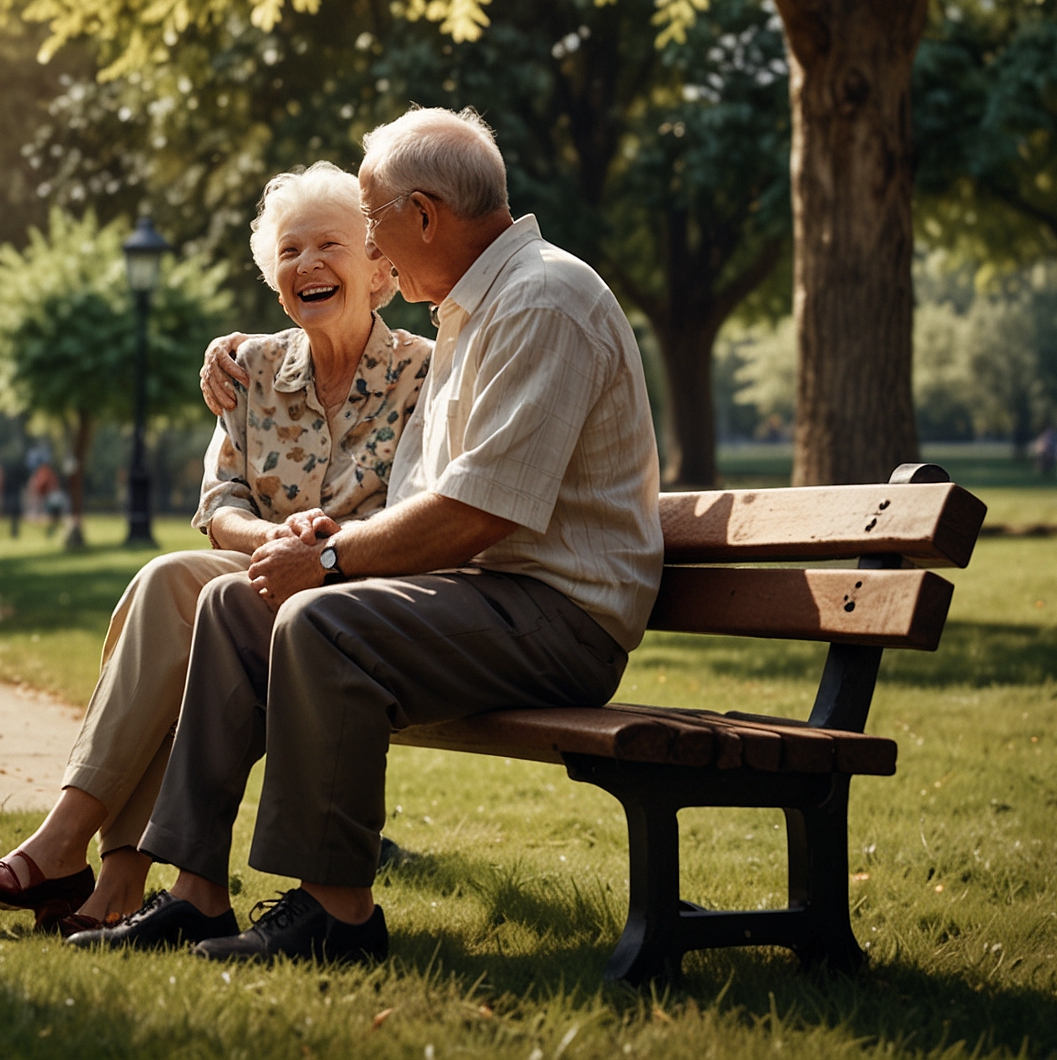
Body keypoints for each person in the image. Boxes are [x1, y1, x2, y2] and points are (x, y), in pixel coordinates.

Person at [70, 107, 663, 965]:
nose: (374, 250)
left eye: (375, 221)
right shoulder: (473, 311)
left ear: (423, 215)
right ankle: (195, 895)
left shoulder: (542, 299)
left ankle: (337, 916)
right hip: (482, 595)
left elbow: (483, 510)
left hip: (559, 614)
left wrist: (334, 559)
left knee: (316, 619)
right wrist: (325, 536)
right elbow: (429, 497)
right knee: (240, 604)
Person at [0, 161, 430, 935]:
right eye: (290, 250)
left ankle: (90, 868)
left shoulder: (424, 374)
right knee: (172, 579)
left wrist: (322, 548)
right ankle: (91, 863)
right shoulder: (252, 369)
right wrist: (274, 540)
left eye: (329, 246)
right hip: (262, 572)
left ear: (380, 268)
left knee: (207, 601)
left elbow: (416, 511)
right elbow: (220, 504)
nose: (306, 264)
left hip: (355, 591)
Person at [1, 445, 29, 538]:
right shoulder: (18, 465)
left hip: (11, 491)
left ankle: (14, 532)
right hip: (15, 491)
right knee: (14, 512)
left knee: (12, 512)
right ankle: (14, 532)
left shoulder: (6, 466)